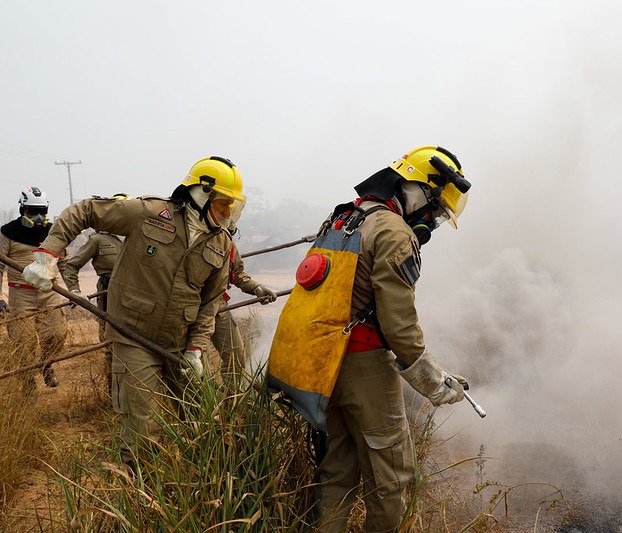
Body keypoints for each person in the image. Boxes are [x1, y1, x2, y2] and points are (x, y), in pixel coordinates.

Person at [269, 146, 472, 532]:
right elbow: (399, 326)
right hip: (365, 366)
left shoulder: (343, 217)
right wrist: (434, 382)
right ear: (417, 190)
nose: (431, 222)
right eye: (435, 210)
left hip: (325, 364)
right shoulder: (394, 232)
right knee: (392, 478)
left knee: (337, 470)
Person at [22, 156, 245, 464]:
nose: (228, 213)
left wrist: (196, 348)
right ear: (201, 194)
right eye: (223, 204)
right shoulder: (149, 213)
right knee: (144, 427)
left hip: (181, 343)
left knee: (205, 415)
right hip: (134, 336)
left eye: (232, 205)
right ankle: (139, 483)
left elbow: (210, 304)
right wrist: (47, 255)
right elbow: (85, 211)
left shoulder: (221, 243)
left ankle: (204, 480)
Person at [0, 186, 66, 395]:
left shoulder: (53, 232)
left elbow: (65, 262)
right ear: (23, 210)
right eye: (33, 211)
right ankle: (27, 381)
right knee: (23, 341)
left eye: (42, 212)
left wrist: (75, 290)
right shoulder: (7, 233)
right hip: (21, 295)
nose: (38, 217)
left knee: (57, 334)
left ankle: (46, 364)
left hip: (49, 292)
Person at [61, 193, 129, 396]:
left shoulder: (137, 236)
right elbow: (71, 265)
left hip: (137, 294)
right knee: (111, 343)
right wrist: (75, 291)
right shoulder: (98, 240)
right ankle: (113, 394)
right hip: (109, 294)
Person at [212, 241, 277, 384]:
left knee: (235, 359)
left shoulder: (225, 239)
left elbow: (236, 273)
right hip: (187, 307)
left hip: (217, 306)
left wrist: (255, 288)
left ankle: (229, 395)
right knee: (188, 360)